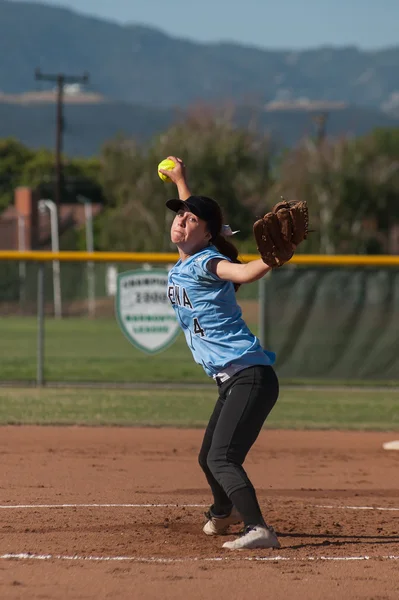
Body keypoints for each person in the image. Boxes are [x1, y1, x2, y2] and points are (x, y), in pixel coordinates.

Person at [160, 156, 281, 550]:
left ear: (209, 234)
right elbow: (195, 211)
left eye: (191, 220)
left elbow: (242, 272)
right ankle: (223, 512)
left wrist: (275, 257)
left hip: (249, 375)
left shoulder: (208, 262)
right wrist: (181, 181)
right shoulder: (191, 254)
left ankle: (258, 529)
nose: (181, 219)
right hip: (234, 380)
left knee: (221, 458)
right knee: (207, 457)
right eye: (180, 215)